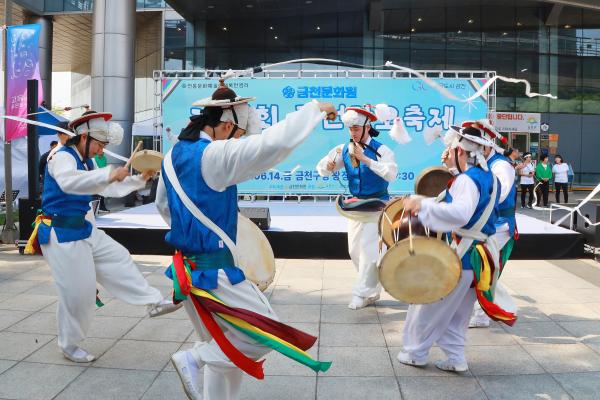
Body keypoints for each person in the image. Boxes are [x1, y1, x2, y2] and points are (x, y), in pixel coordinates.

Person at [156, 81, 335, 400]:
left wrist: (193, 232)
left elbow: (163, 205)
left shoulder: (172, 156)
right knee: (261, 334)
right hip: (216, 273)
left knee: (222, 346)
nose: (240, 140)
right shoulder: (213, 155)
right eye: (239, 134)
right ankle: (192, 358)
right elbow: (267, 147)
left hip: (188, 268)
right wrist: (313, 111)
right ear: (226, 125)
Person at [26, 111, 181, 363]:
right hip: (62, 233)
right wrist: (108, 173)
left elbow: (106, 187)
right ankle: (69, 345)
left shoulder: (86, 161)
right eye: (99, 144)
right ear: (83, 136)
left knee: (118, 257)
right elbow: (69, 183)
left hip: (84, 229)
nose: (101, 151)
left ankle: (153, 301)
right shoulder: (60, 157)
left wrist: (138, 179)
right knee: (78, 295)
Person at [396, 122, 514, 373]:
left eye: (451, 149)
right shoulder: (489, 176)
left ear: (461, 152)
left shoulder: (466, 180)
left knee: (427, 306)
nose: (449, 153)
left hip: (462, 256)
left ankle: (415, 352)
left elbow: (461, 213)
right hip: (480, 260)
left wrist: (422, 207)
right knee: (458, 315)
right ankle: (455, 357)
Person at [316, 106, 397, 310]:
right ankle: (371, 288)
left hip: (377, 206)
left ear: (367, 127)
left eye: (357, 128)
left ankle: (362, 292)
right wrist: (329, 166)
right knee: (354, 250)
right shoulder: (344, 149)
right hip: (356, 206)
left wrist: (366, 160)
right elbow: (323, 168)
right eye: (350, 129)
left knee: (369, 251)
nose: (353, 132)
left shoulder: (381, 150)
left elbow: (390, 174)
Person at [468, 120, 518, 328]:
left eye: (476, 144)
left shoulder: (501, 165)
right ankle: (482, 309)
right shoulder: (480, 164)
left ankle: (482, 314)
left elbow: (497, 195)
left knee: (483, 266)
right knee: (477, 267)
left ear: (487, 145)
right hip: (485, 224)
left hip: (500, 225)